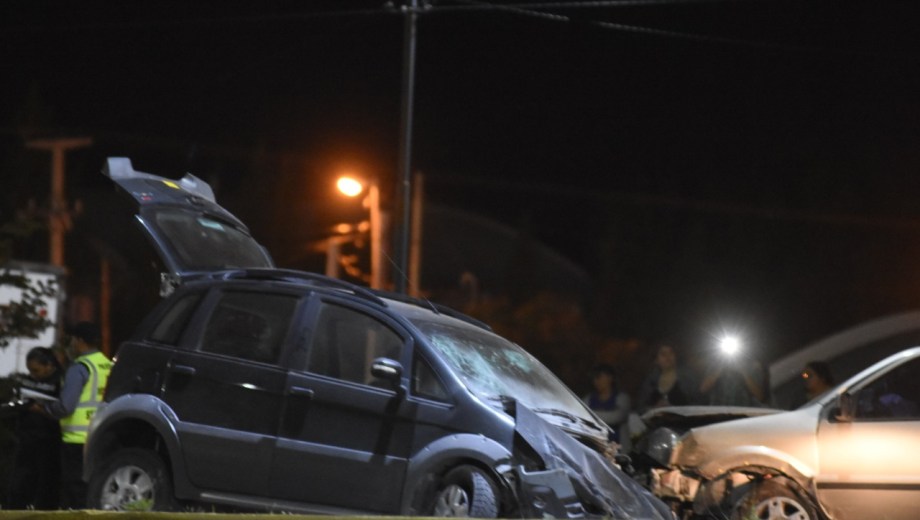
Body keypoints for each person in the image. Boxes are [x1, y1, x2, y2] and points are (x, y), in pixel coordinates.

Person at [36, 322, 112, 509]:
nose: (71, 344)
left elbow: (65, 407)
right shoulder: (107, 364)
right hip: (100, 436)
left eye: (72, 340)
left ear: (79, 341)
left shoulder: (79, 368)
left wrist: (42, 408)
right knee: (93, 489)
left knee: (73, 491)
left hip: (76, 439)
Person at [6, 347, 63, 510]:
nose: (33, 374)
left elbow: (63, 408)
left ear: (49, 365)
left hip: (50, 439)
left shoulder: (60, 381)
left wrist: (41, 408)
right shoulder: (26, 380)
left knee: (47, 484)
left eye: (36, 370)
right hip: (27, 438)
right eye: (30, 370)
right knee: (20, 482)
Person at [636, 343, 699, 414]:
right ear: (656, 360)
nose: (668, 356)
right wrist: (653, 409)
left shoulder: (687, 376)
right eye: (663, 354)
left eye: (671, 353)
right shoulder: (650, 380)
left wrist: (675, 409)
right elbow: (640, 408)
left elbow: (699, 403)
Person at [582, 364, 631, 448]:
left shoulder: (622, 398)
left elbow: (617, 417)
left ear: (610, 378)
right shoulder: (588, 399)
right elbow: (580, 414)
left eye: (599, 377)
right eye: (594, 378)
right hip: (595, 447)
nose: (596, 381)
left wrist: (588, 415)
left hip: (617, 448)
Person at [699, 351, 767, 407]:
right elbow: (703, 389)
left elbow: (760, 396)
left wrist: (743, 372)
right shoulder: (715, 365)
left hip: (741, 413)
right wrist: (720, 369)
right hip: (717, 412)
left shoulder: (752, 366)